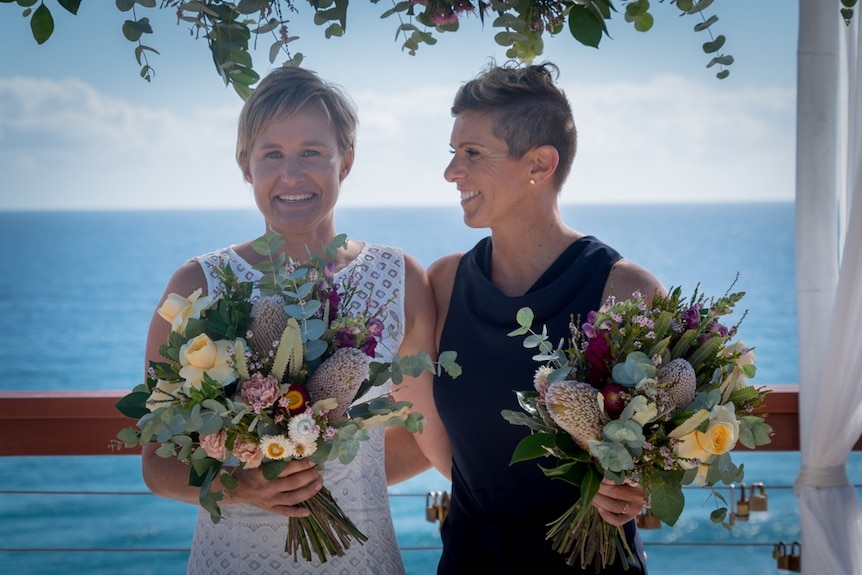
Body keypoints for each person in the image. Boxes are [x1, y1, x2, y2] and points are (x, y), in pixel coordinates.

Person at [140, 65, 449, 575]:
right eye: (272, 155)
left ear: (345, 161)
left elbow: (428, 435)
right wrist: (244, 486)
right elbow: (156, 464)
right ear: (246, 166)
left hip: (363, 557)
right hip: (234, 559)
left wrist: (346, 470)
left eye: (312, 153)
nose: (292, 176)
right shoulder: (195, 287)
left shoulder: (400, 279)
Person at [424, 61, 666, 573]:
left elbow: (669, 447)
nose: (451, 172)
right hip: (470, 560)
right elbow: (425, 425)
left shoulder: (625, 291)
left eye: (472, 154)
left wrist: (639, 483)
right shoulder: (443, 284)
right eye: (452, 153)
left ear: (539, 164)